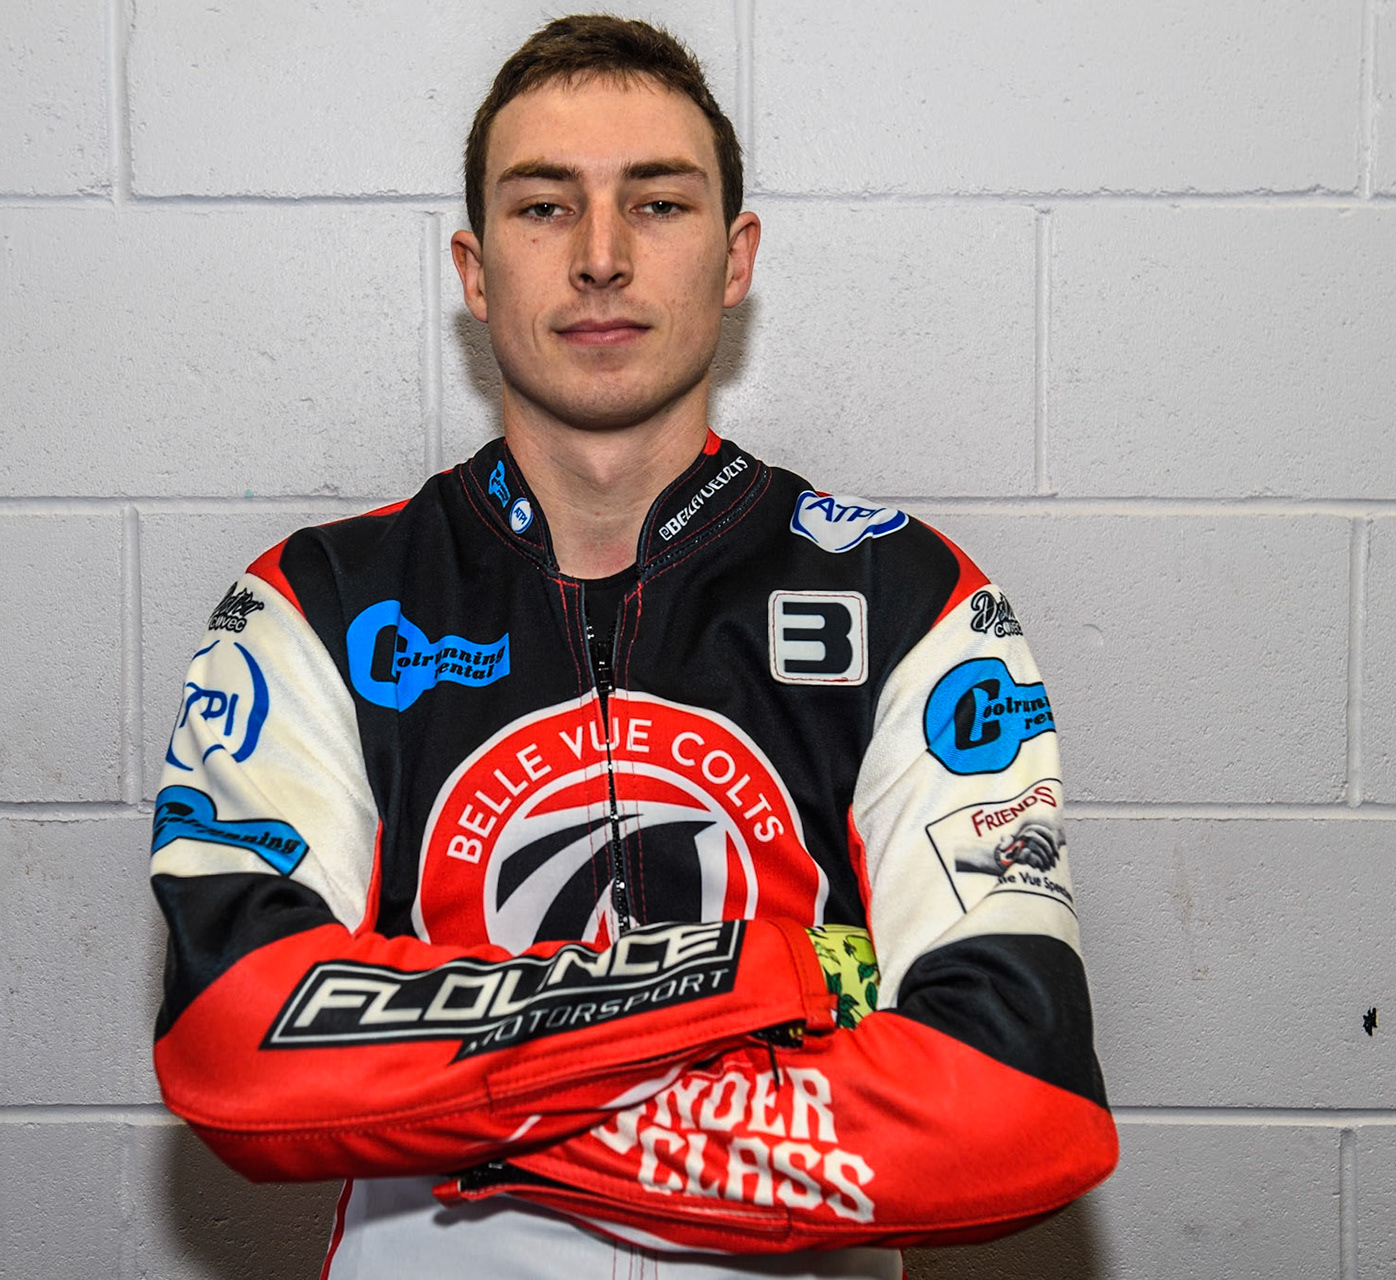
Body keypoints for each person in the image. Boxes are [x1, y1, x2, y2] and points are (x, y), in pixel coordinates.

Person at [148, 15, 1115, 1278]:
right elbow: (237, 1039)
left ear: (734, 258)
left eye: (657, 203)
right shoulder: (315, 603)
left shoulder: (911, 600)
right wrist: (750, 985)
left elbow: (1012, 1098)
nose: (601, 258)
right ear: (476, 269)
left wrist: (443, 1104)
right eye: (544, 208)